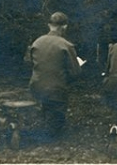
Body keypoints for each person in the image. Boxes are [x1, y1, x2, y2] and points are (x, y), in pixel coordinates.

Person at [27, 12, 82, 140]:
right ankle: (51, 132)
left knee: (49, 104)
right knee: (56, 123)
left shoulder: (37, 42)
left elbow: (32, 64)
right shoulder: (66, 45)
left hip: (36, 85)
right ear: (64, 27)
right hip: (56, 89)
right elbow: (75, 72)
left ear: (49, 25)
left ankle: (46, 122)